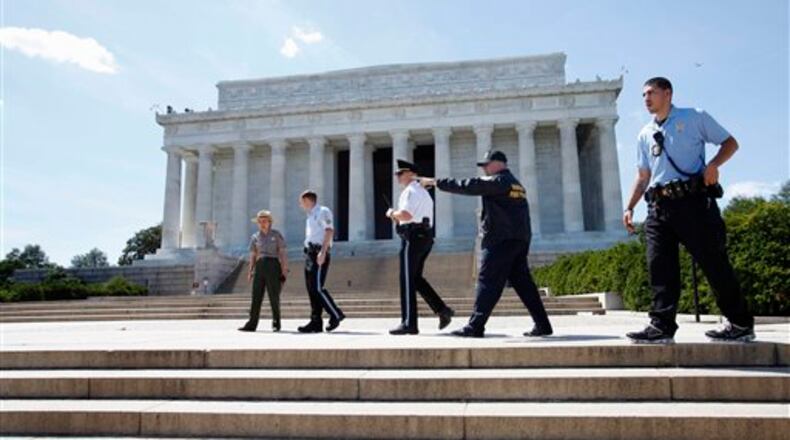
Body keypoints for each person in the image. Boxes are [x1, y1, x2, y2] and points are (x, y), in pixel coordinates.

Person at [623, 77, 754, 344]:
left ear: (667, 93)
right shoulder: (644, 133)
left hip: (692, 202)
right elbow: (643, 175)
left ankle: (740, 323)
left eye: (651, 93)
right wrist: (629, 206)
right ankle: (661, 325)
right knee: (659, 267)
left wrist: (714, 165)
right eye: (643, 95)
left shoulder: (695, 117)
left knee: (714, 263)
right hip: (658, 206)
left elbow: (730, 142)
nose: (646, 98)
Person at [419, 151, 552, 338]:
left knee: (487, 281)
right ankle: (543, 324)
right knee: (524, 284)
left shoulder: (498, 181)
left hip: (500, 239)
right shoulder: (516, 184)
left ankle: (475, 326)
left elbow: (470, 185)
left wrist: (435, 182)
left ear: (498, 164)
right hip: (519, 239)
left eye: (486, 165)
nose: (484, 169)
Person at [386, 159, 455, 335]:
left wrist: (391, 213)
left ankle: (409, 323)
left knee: (407, 280)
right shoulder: (423, 192)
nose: (397, 176)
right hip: (424, 236)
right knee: (416, 279)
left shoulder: (410, 191)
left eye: (400, 173)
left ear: (410, 173)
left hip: (413, 236)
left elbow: (406, 214)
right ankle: (442, 310)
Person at [297, 190, 345, 333]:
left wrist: (323, 252)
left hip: (318, 253)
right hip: (309, 254)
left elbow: (329, 231)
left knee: (317, 288)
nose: (300, 205)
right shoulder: (310, 215)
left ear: (307, 200)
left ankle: (336, 314)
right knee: (311, 289)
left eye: (301, 202)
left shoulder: (323, 211)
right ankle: (315, 321)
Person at [238, 210, 288, 333]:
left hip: (273, 265)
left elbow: (282, 253)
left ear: (270, 222)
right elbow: (253, 255)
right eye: (260, 222)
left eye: (264, 221)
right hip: (260, 266)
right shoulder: (255, 237)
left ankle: (276, 322)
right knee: (256, 296)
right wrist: (250, 270)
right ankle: (252, 323)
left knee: (274, 296)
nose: (262, 224)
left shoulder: (276, 235)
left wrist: (284, 270)